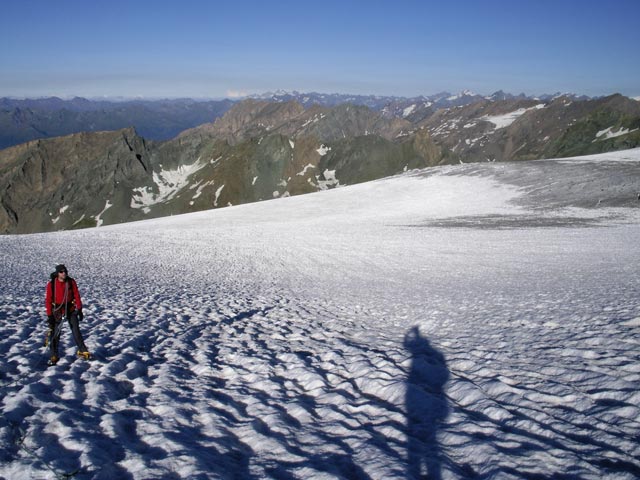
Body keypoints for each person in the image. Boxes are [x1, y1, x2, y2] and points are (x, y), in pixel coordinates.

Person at [45, 264, 91, 365]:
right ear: (58, 273)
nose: (64, 273)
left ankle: (83, 350)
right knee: (55, 333)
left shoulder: (71, 282)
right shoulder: (52, 284)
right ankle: (54, 355)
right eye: (61, 272)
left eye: (65, 271)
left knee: (76, 330)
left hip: (70, 309)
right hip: (57, 310)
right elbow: (48, 300)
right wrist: (49, 316)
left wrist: (79, 309)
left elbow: (76, 295)